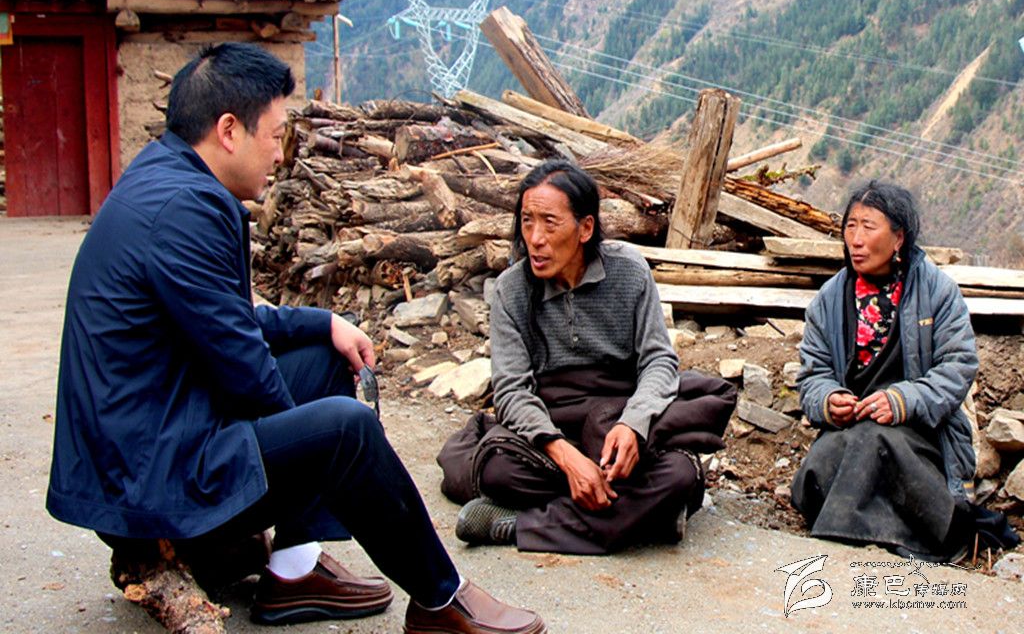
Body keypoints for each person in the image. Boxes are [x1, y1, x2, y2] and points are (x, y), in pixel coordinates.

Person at [46, 43, 546, 633]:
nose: (280, 155)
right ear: (228, 131)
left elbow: (223, 320)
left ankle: (292, 572)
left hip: (151, 441)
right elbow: (245, 369)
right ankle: (441, 599)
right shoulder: (186, 210)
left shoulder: (165, 177)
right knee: (344, 429)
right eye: (275, 135)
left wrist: (323, 323)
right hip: (147, 479)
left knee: (324, 358)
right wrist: (320, 456)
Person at [450, 159, 734, 555]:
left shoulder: (628, 271)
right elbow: (512, 391)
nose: (535, 238)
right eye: (527, 222)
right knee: (499, 471)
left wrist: (634, 424)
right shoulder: (511, 290)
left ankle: (517, 525)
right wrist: (566, 457)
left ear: (585, 228)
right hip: (551, 425)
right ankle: (648, 516)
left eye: (550, 223)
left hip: (615, 421)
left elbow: (658, 360)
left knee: (679, 475)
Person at [791, 180, 1010, 562]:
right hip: (850, 429)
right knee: (825, 464)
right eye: (850, 226)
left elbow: (958, 366)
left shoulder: (937, 291)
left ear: (898, 238)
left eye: (868, 227)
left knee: (876, 443)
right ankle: (883, 533)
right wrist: (829, 400)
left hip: (921, 433)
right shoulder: (829, 299)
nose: (856, 239)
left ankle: (852, 541)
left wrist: (902, 400)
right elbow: (812, 374)